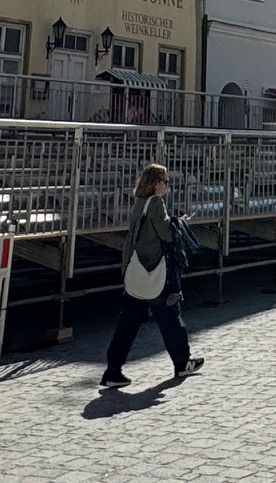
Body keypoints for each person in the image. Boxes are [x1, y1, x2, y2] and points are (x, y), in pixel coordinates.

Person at [100, 163, 205, 389]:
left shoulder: (139, 203)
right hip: (155, 269)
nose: (167, 186)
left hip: (137, 270)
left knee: (127, 322)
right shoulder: (156, 203)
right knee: (170, 318)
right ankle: (182, 362)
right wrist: (181, 222)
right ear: (156, 183)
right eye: (165, 181)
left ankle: (113, 368)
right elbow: (166, 233)